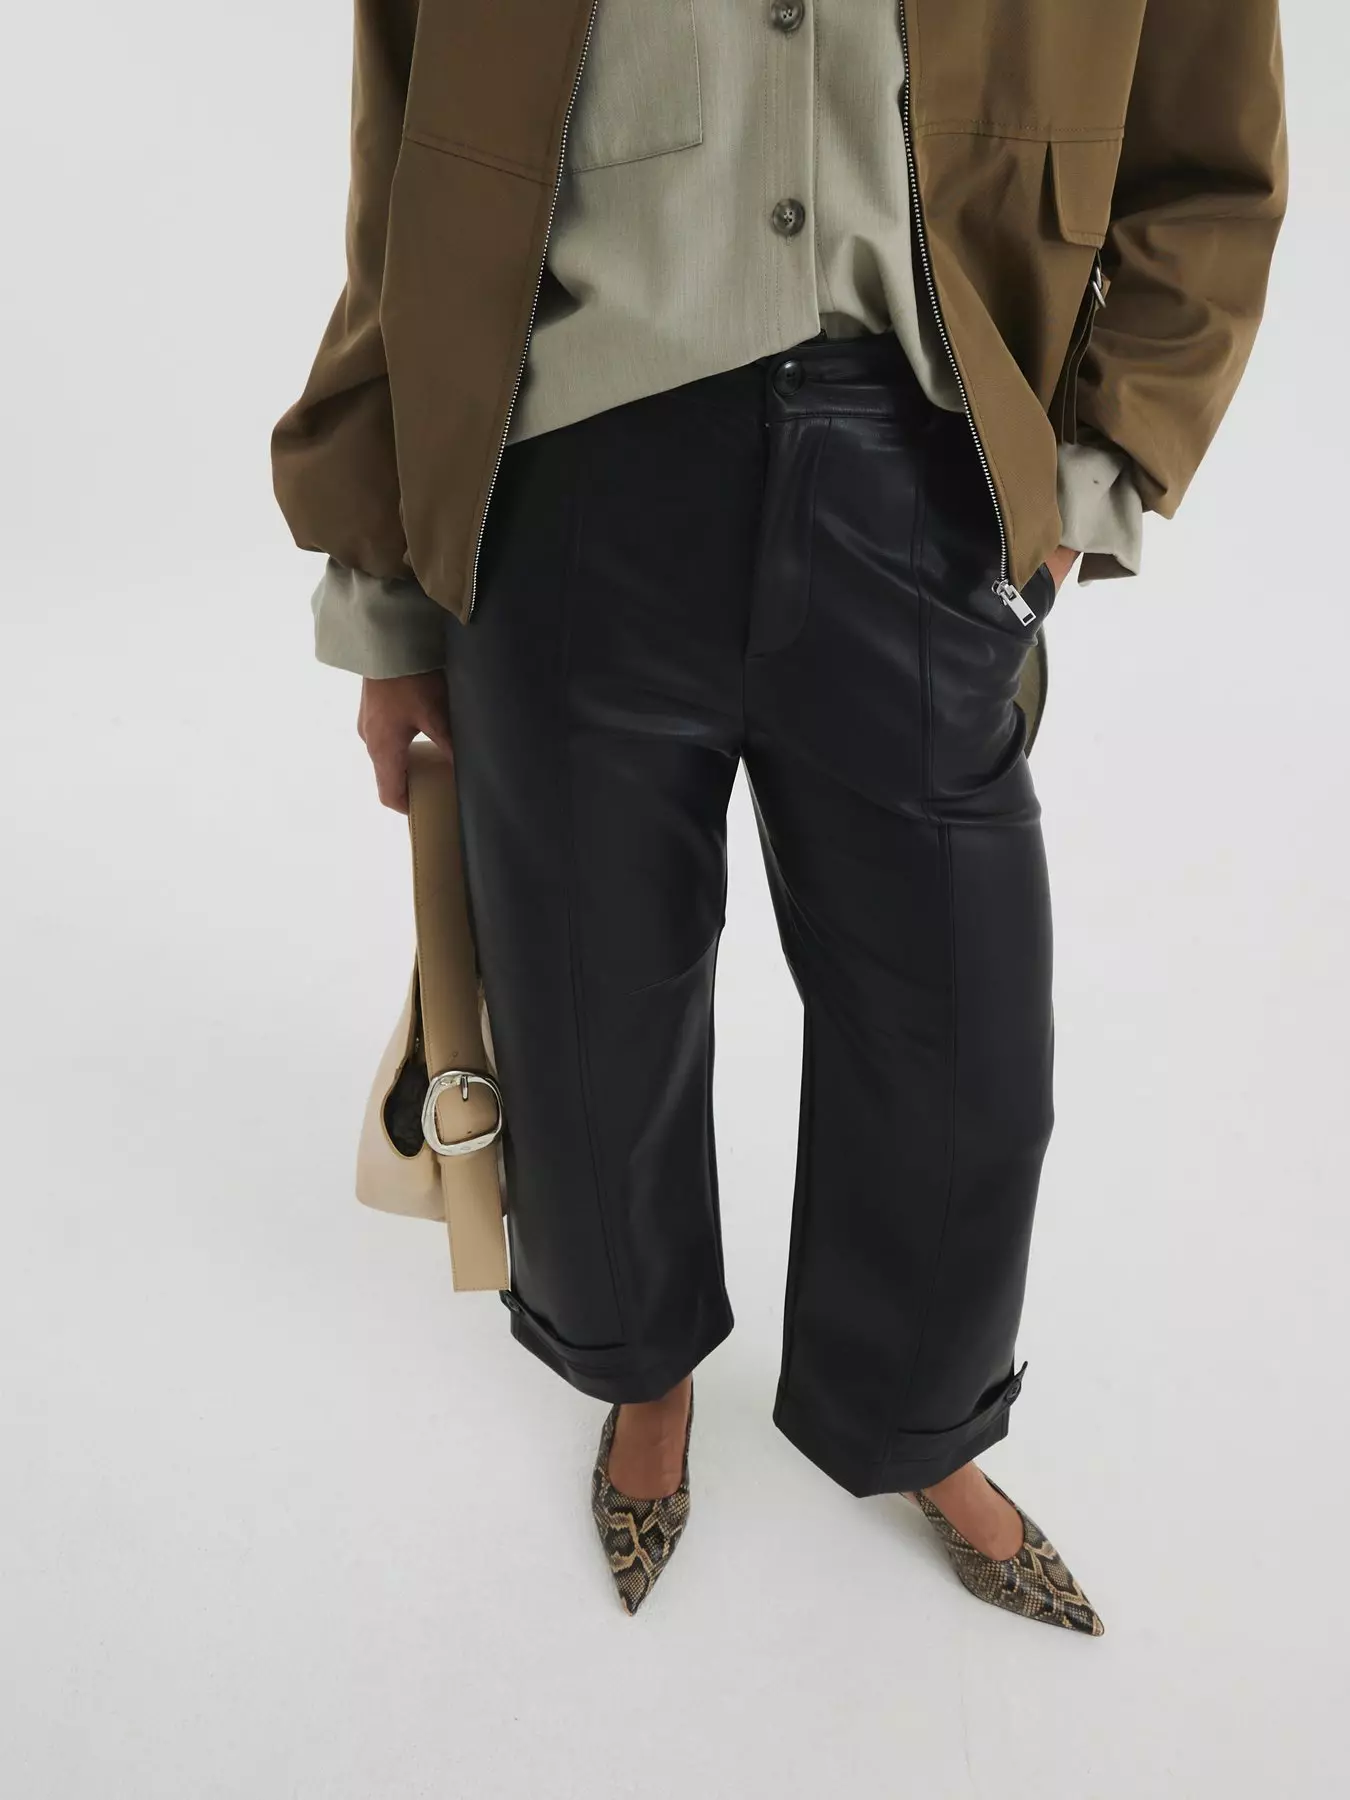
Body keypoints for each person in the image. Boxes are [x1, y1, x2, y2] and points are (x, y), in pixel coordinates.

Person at [271, 1, 1287, 1624]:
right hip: (567, 494)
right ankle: (643, 1378)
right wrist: (382, 592)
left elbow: (1209, 165)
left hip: (921, 491)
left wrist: (1096, 478)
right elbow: (408, 182)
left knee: (960, 1046)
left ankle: (917, 1424)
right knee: (587, 1020)